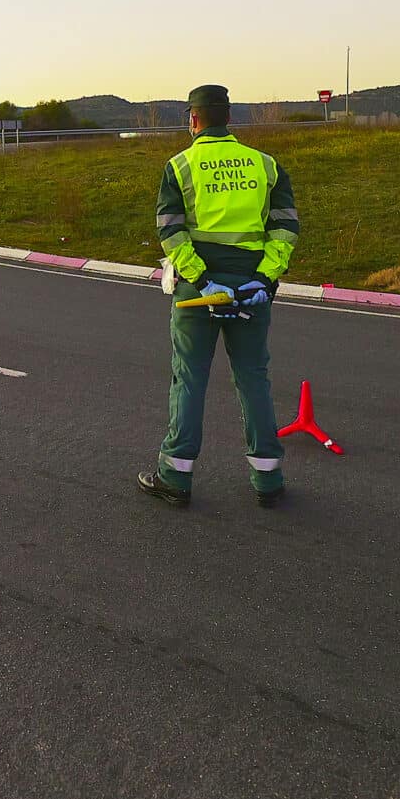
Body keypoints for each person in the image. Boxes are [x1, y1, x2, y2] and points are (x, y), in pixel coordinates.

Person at [137, 84, 299, 510]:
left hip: (199, 290)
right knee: (253, 379)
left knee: (190, 377)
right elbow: (285, 229)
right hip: (251, 290)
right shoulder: (266, 165)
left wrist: (203, 281)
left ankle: (176, 476)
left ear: (193, 119)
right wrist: (265, 280)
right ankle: (267, 479)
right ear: (229, 118)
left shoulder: (180, 165)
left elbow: (171, 231)